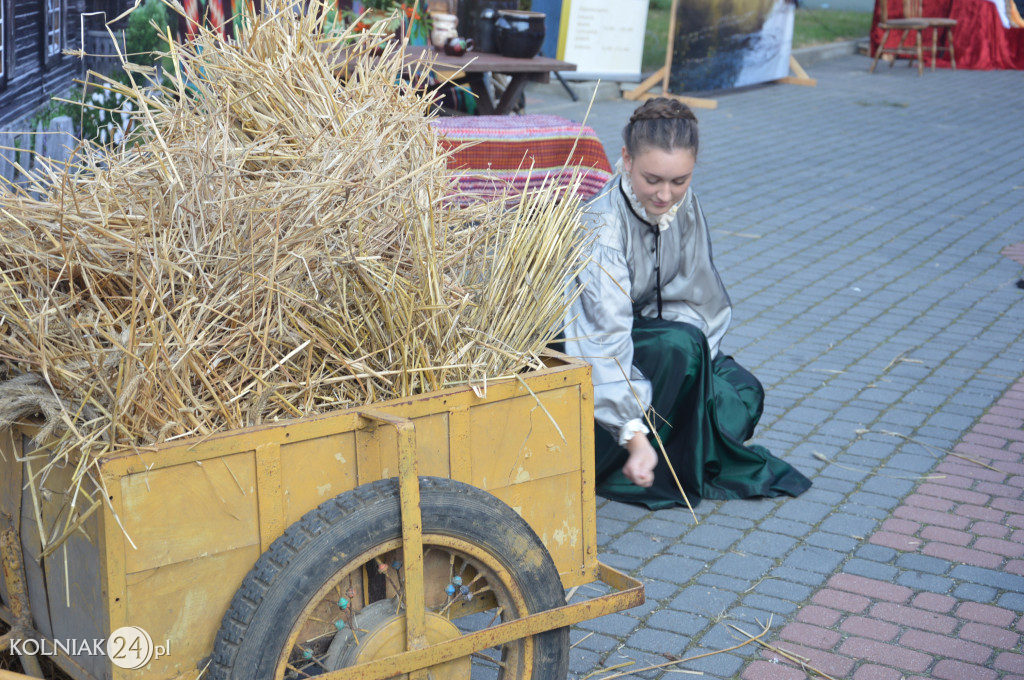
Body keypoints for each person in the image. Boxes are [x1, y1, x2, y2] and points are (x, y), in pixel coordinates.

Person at [563, 97, 811, 510]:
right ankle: (627, 459)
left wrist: (702, 368)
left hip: (647, 337)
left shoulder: (682, 204)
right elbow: (602, 339)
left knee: (742, 391)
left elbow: (694, 293)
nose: (665, 195)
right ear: (625, 159)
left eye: (680, 181)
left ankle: (674, 441)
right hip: (584, 351)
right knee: (680, 346)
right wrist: (632, 433)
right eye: (653, 179)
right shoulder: (601, 227)